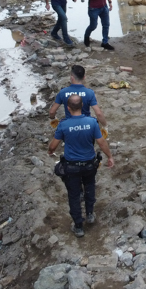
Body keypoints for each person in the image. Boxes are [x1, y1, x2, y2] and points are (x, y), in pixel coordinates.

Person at [47, 94, 114, 237]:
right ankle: (90, 214)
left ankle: (78, 226)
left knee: (74, 195)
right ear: (82, 106)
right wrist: (110, 156)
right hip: (90, 164)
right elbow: (101, 142)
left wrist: (50, 151)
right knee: (89, 188)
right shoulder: (92, 123)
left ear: (68, 108)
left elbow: (53, 145)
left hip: (71, 167)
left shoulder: (63, 125)